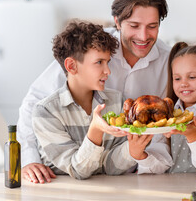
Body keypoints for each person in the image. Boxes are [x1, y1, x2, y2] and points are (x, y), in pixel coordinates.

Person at [17, 0, 170, 183]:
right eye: (134, 26)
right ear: (117, 21)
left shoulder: (167, 60)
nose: (143, 36)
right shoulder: (95, 48)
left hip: (129, 172)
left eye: (152, 26)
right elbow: (35, 101)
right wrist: (29, 159)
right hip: (68, 172)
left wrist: (142, 158)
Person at [32, 21, 152, 179]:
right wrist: (95, 130)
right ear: (72, 66)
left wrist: (133, 150)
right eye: (99, 62)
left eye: (107, 62)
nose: (108, 71)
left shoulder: (117, 101)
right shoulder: (46, 112)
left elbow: (110, 167)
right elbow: (78, 171)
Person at [137, 41, 196, 179]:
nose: (183, 83)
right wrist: (140, 155)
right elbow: (160, 163)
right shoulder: (164, 115)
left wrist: (193, 136)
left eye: (192, 77)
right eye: (177, 78)